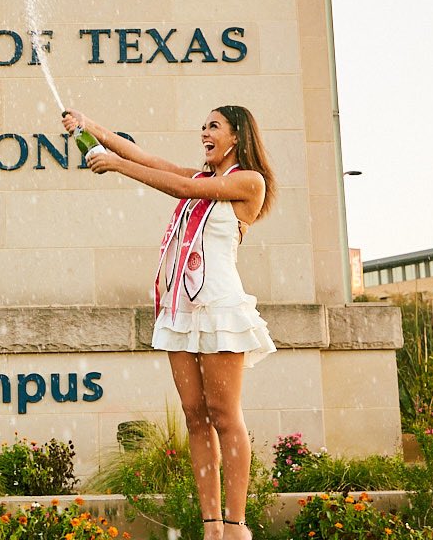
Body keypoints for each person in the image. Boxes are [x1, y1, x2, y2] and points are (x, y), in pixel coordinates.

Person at [61, 106, 277, 540]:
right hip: (181, 308)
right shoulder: (202, 180)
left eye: (214, 126)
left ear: (237, 136)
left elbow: (176, 185)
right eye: (203, 126)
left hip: (218, 308)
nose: (204, 132)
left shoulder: (248, 181)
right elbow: (147, 158)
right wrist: (89, 126)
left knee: (224, 414)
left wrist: (117, 166)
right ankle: (211, 525)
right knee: (195, 415)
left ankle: (236, 525)